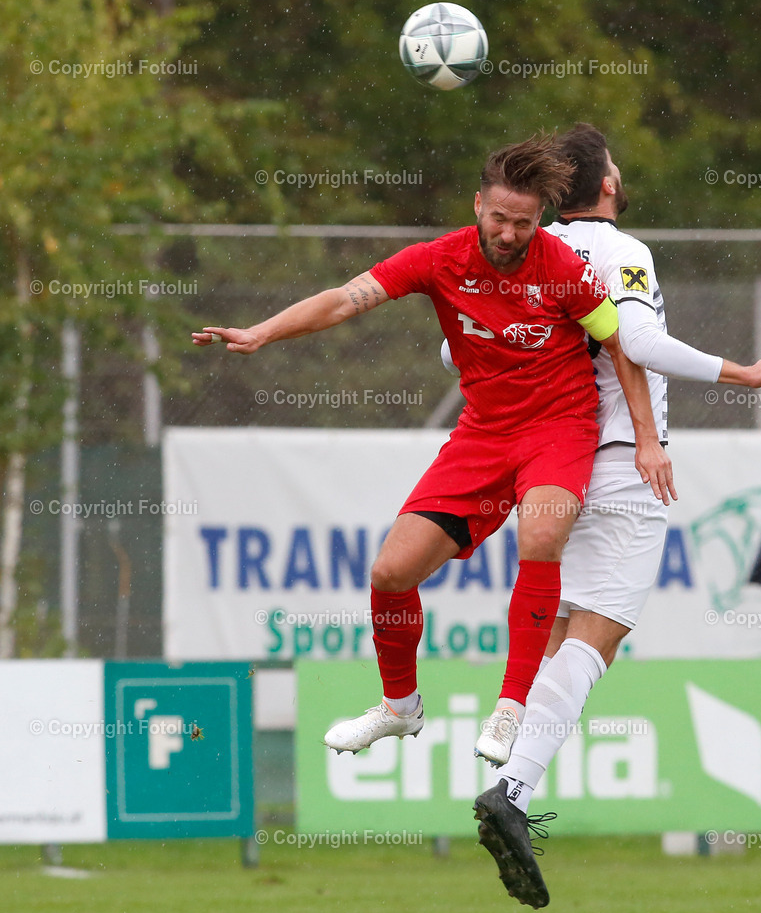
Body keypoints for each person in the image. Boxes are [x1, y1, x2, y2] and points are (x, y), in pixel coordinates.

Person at [192, 135, 674, 764]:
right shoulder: (440, 259)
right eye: (498, 219)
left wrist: (646, 439)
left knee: (540, 535)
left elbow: (622, 346)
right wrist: (261, 332)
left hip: (560, 428)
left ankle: (511, 708)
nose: (509, 234)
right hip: (483, 435)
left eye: (523, 223)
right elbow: (344, 299)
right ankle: (399, 707)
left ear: (540, 220)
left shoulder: (560, 266)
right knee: (391, 572)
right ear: (477, 205)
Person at [471, 123, 761, 909]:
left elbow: (459, 348)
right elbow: (639, 340)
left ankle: (511, 773)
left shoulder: (529, 249)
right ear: (607, 185)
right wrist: (743, 372)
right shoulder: (621, 251)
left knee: (561, 630)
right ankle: (512, 788)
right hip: (616, 458)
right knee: (600, 632)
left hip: (546, 460)